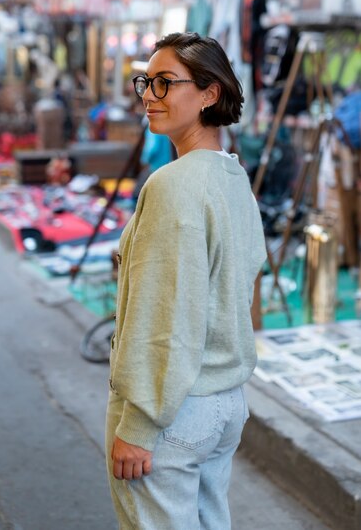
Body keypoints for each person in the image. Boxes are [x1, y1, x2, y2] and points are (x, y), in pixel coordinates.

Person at [106, 32, 267, 530]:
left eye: (165, 83)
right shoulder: (233, 177)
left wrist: (139, 423)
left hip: (174, 410)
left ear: (209, 93)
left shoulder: (173, 184)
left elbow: (165, 317)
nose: (150, 97)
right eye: (145, 83)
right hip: (224, 405)